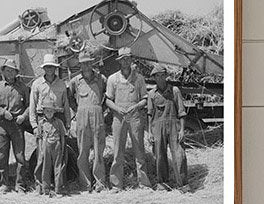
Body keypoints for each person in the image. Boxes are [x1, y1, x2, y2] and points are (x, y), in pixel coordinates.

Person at [105, 47, 153, 190]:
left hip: (135, 117)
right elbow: (107, 100)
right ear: (119, 61)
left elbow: (145, 99)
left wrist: (136, 106)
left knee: (139, 151)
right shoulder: (113, 79)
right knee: (118, 152)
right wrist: (117, 108)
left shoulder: (139, 78)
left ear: (131, 60)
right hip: (119, 118)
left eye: (128, 58)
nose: (126, 61)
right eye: (123, 59)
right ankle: (116, 185)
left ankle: (144, 183)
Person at [28, 53, 70, 196]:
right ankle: (41, 186)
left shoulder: (61, 84)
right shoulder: (37, 84)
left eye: (52, 67)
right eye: (47, 67)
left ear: (55, 68)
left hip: (58, 119)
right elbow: (32, 105)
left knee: (60, 156)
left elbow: (66, 104)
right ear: (44, 68)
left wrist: (68, 124)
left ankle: (59, 186)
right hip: (42, 120)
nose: (50, 69)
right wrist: (34, 125)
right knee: (42, 157)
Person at [69, 49, 108, 193]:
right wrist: (78, 110)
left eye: (88, 63)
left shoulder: (101, 78)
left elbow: (107, 95)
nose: (85, 66)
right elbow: (70, 98)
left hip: (97, 115)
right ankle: (85, 184)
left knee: (99, 150)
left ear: (92, 63)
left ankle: (100, 183)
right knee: (83, 150)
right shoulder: (75, 81)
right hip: (82, 116)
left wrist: (100, 109)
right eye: (83, 64)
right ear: (80, 65)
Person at [0, 57, 32, 192]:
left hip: (17, 124)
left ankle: (20, 184)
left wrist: (23, 116)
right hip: (2, 124)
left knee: (19, 155)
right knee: (2, 155)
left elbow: (29, 106)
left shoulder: (23, 87)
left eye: (12, 71)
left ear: (16, 73)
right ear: (3, 72)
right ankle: (4, 184)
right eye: (7, 70)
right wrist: (3, 112)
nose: (9, 73)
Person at [147, 65, 189, 190]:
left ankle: (183, 184)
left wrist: (182, 130)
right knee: (160, 155)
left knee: (179, 154)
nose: (160, 78)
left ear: (166, 76)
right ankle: (163, 183)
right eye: (157, 76)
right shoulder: (151, 94)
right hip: (158, 126)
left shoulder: (174, 91)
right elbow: (150, 114)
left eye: (162, 75)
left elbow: (181, 112)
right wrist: (150, 132)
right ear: (154, 78)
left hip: (174, 125)